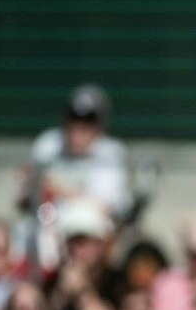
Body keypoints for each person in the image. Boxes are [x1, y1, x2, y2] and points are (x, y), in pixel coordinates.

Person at [26, 85, 131, 235]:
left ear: (99, 126)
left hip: (93, 232)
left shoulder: (111, 153)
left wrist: (57, 189)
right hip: (50, 226)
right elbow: (31, 197)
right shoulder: (48, 145)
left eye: (87, 123)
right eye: (73, 121)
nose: (78, 131)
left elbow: (104, 206)